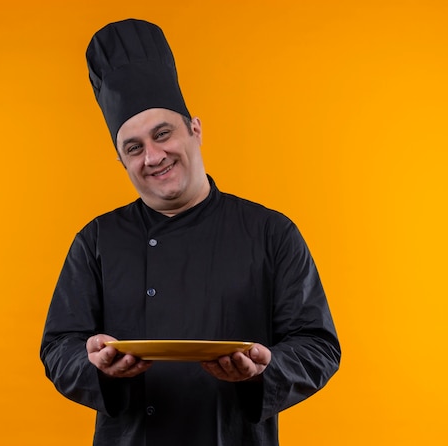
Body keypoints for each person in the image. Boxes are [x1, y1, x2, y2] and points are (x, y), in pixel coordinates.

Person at [40, 18, 340, 446]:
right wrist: (95, 366)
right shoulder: (97, 240)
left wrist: (266, 368)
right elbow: (58, 347)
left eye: (163, 134)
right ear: (122, 162)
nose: (154, 156)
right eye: (134, 147)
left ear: (195, 130)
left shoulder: (271, 232)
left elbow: (318, 346)